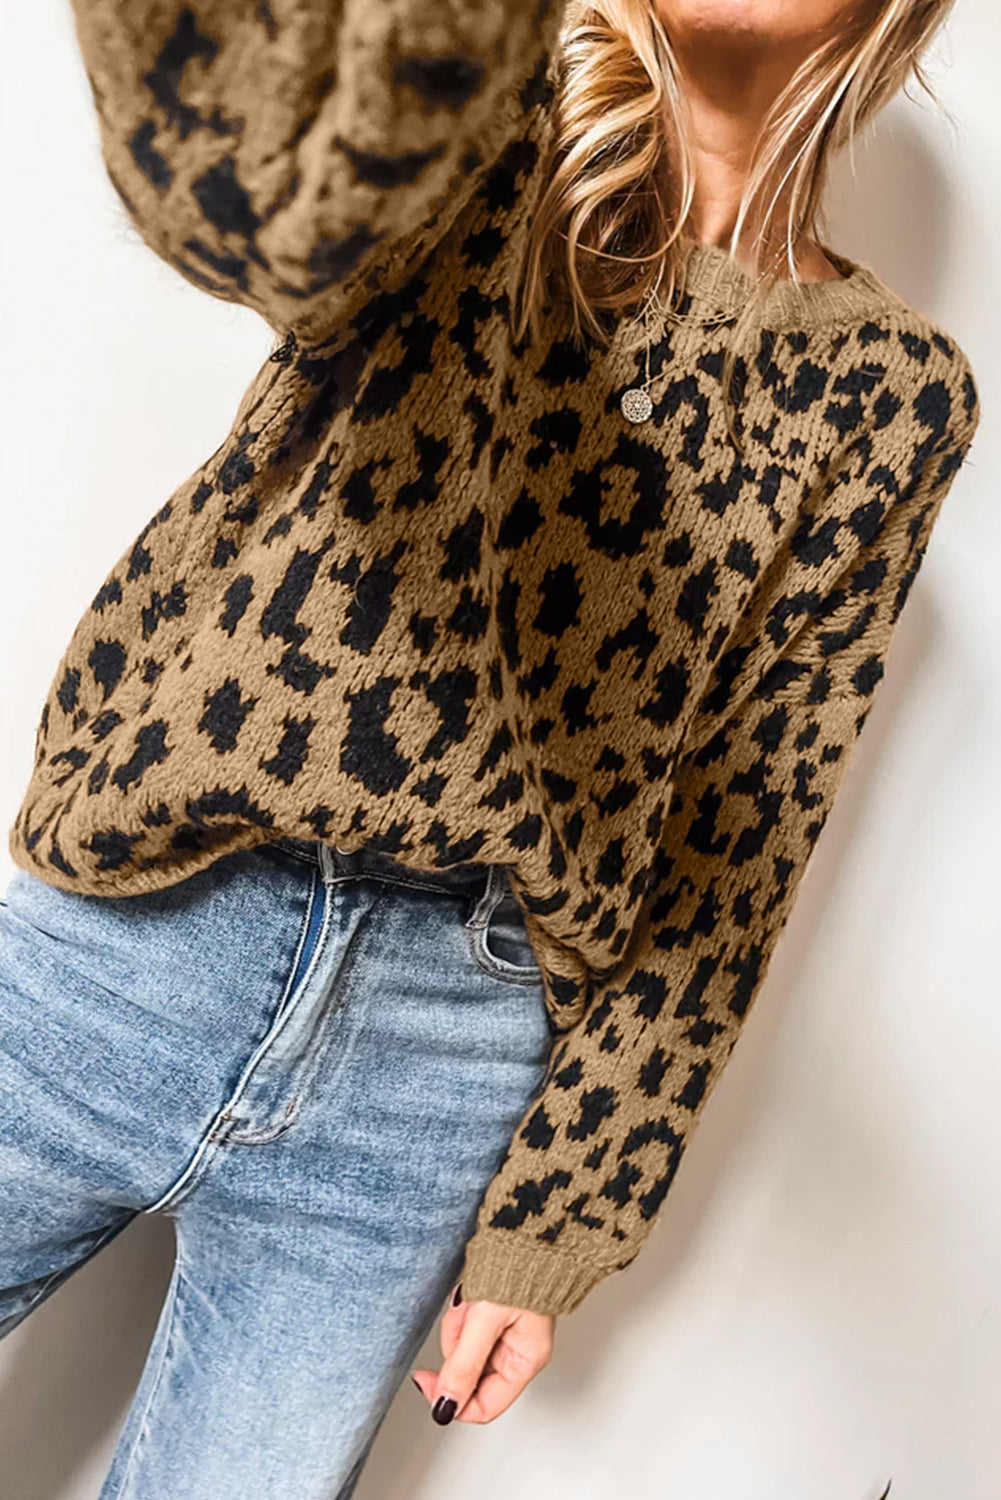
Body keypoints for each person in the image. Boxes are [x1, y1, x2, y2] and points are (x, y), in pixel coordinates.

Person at [0, 0, 981, 1495]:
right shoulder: (476, 143)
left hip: (444, 1058)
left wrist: (563, 1216)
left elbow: (742, 839)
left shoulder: (896, 396)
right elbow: (249, 194)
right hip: (144, 931)